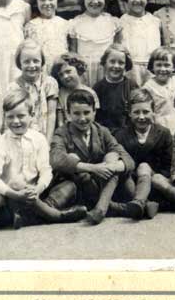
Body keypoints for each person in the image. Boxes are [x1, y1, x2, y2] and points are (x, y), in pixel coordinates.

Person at [0, 89, 87, 228]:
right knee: (17, 183)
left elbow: (45, 170)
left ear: (31, 116)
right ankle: (55, 215)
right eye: (10, 117)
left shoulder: (39, 139)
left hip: (36, 194)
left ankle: (31, 216)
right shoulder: (1, 143)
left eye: (21, 116)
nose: (16, 121)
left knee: (70, 186)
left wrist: (37, 189)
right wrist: (16, 194)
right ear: (5, 117)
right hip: (12, 195)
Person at [48, 88, 136, 225]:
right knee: (72, 159)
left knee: (113, 157)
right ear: (68, 114)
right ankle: (116, 208)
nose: (82, 118)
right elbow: (56, 159)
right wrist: (93, 168)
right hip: (76, 186)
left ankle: (101, 208)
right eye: (76, 113)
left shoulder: (102, 131)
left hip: (99, 185)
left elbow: (128, 160)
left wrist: (112, 166)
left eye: (87, 112)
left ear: (94, 112)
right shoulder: (62, 133)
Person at [114, 88, 172, 216]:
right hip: (131, 186)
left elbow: (168, 166)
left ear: (153, 112)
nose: (141, 117)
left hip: (155, 182)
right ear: (129, 113)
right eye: (136, 112)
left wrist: (155, 176)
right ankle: (144, 204)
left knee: (144, 167)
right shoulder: (120, 135)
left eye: (146, 112)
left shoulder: (163, 133)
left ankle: (140, 202)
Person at [67, 0, 123, 85]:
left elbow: (118, 49)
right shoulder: (76, 23)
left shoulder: (112, 22)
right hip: (85, 73)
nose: (95, 1)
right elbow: (73, 52)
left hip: (108, 72)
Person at [7, 39, 59, 141]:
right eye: (26, 61)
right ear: (19, 63)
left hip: (44, 135)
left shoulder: (49, 83)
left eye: (36, 61)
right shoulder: (14, 87)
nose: (31, 65)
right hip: (22, 135)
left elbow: (51, 114)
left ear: (42, 62)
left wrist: (47, 142)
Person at [119, 0, 162, 86]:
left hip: (153, 70)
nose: (137, 0)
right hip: (130, 70)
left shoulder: (156, 21)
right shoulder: (120, 22)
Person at [24, 0, 70, 75]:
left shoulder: (66, 24)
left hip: (62, 72)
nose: (47, 3)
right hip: (40, 73)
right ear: (36, 2)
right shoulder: (30, 26)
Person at [142, 47, 175, 134]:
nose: (163, 69)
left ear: (173, 67)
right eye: (159, 65)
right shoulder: (148, 87)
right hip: (160, 126)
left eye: (167, 65)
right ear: (152, 67)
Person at [93, 43, 138, 135]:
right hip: (105, 135)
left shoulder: (132, 86)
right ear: (105, 62)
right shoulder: (98, 88)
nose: (116, 66)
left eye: (121, 63)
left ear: (126, 65)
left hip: (128, 134)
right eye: (112, 61)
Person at [50, 52, 100, 127]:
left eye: (68, 71)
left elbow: (94, 117)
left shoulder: (90, 92)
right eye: (61, 75)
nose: (65, 76)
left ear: (78, 69)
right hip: (67, 132)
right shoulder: (61, 94)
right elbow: (60, 121)